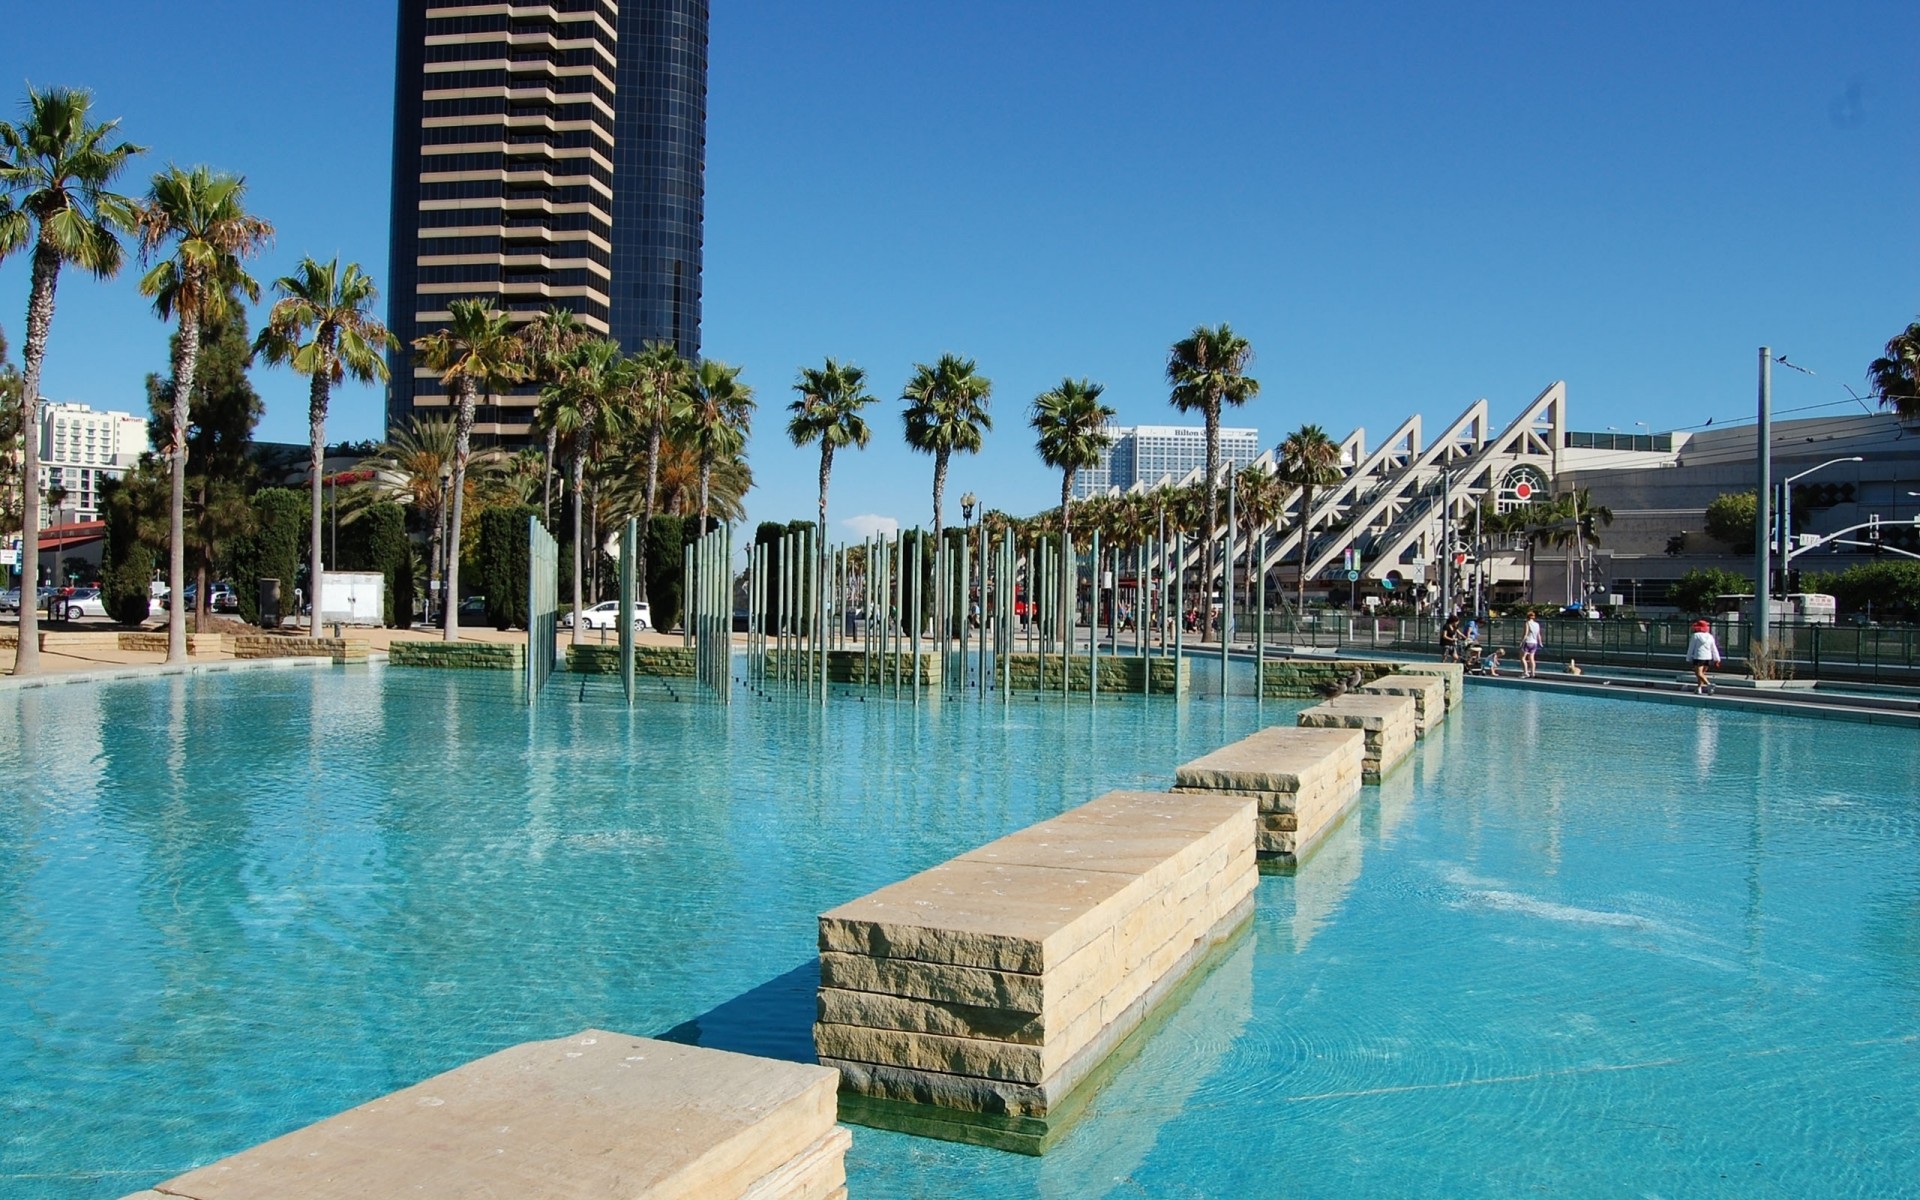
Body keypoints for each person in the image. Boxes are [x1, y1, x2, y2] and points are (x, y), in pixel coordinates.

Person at [1686, 619, 1721, 694]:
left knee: (1698, 673)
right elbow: (1714, 648)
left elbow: (1691, 647)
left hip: (1699, 656)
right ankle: (1699, 688)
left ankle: (1709, 684)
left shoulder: (1695, 636)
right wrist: (1717, 659)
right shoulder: (1710, 636)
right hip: (1708, 657)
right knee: (1702, 673)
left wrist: (1688, 657)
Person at [1520, 610, 1543, 678]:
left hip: (1528, 642)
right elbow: (1539, 634)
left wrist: (1521, 642)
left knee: (1522, 658)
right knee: (1532, 658)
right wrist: (1540, 642)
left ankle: (1526, 672)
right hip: (1534, 643)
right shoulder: (1537, 624)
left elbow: (1526, 633)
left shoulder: (1527, 623)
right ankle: (1533, 673)